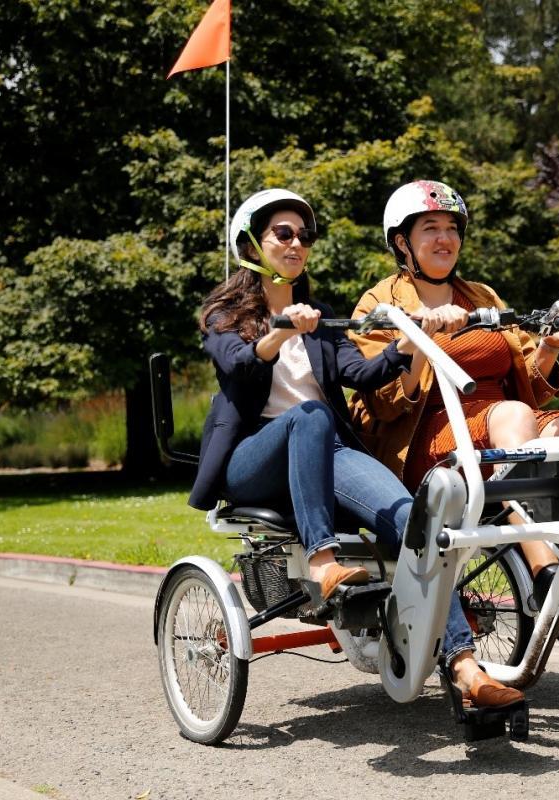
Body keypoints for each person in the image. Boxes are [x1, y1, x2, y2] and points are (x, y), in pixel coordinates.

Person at [187, 188, 522, 708]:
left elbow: (362, 374)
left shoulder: (320, 317)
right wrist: (279, 332)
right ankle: (322, 561)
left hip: (325, 454)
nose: (297, 242)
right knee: (311, 415)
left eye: (305, 235)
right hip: (254, 460)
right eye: (284, 233)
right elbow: (239, 364)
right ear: (251, 244)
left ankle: (464, 666)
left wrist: (409, 342)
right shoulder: (222, 314)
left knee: (418, 524)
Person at [348, 180, 559, 601]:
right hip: (427, 437)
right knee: (513, 416)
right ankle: (545, 570)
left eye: (452, 228)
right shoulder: (379, 304)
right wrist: (421, 335)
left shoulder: (482, 295)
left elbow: (531, 387)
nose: (445, 238)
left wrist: (550, 345)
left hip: (504, 422)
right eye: (431, 228)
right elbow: (385, 404)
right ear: (403, 242)